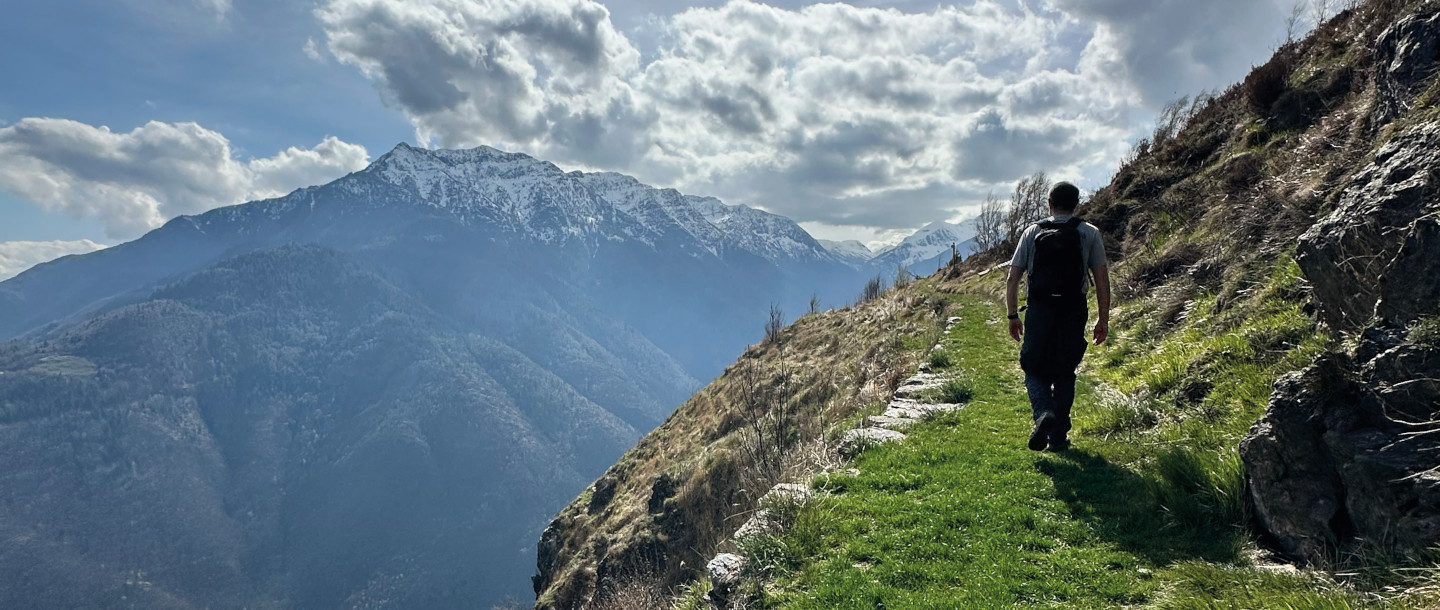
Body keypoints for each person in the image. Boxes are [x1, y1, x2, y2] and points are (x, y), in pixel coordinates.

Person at [1004, 182, 1110, 452]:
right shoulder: (1089, 233)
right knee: (1065, 371)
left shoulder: (1032, 232)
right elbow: (1101, 279)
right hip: (1073, 310)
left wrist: (1013, 315)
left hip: (1039, 311)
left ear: (1048, 203)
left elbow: (1013, 277)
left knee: (1033, 366)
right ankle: (1058, 438)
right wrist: (1103, 319)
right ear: (1076, 205)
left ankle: (1043, 413)